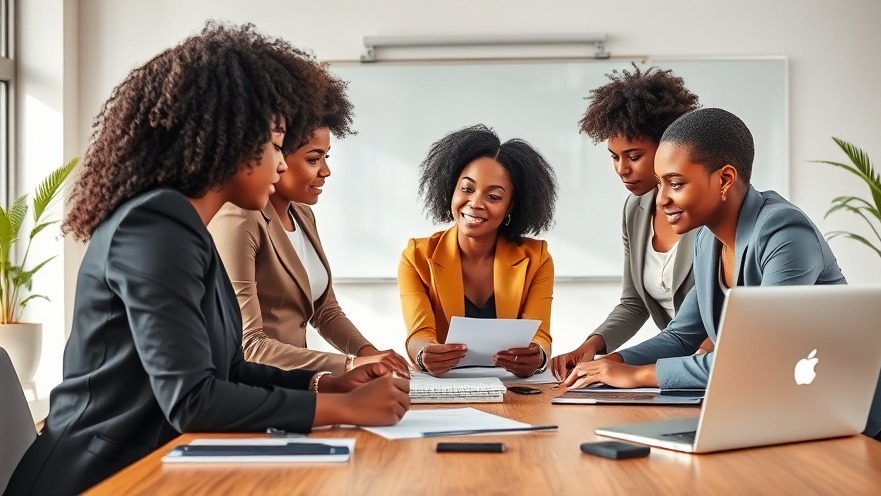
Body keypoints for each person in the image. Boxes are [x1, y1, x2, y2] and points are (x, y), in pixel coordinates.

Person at [6, 23, 409, 495]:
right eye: (276, 146)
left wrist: (325, 385)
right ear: (233, 142)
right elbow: (192, 400)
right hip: (99, 478)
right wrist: (344, 410)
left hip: (159, 468)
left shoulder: (187, 227)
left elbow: (228, 371)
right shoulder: (154, 227)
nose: (282, 164)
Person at [560, 107, 846, 392]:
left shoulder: (784, 231)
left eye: (675, 184)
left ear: (725, 179)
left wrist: (636, 375)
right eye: (660, 184)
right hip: (766, 399)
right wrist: (610, 363)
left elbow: (759, 354)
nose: (660, 200)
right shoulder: (707, 240)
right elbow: (681, 337)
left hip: (836, 404)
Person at [208, 121, 410, 377]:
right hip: (252, 385)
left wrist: (368, 353)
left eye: (326, 157)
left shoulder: (302, 214)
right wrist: (349, 365)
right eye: (314, 159)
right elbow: (248, 345)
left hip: (296, 382)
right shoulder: (238, 219)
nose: (326, 171)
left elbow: (325, 310)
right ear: (274, 155)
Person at [549, 65, 711, 381]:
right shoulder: (635, 210)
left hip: (713, 360)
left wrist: (624, 366)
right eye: (614, 156)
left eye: (633, 156)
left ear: (668, 148)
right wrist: (592, 346)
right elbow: (634, 302)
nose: (622, 169)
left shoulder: (705, 211)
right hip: (672, 361)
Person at [399, 124, 558, 378]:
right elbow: (419, 334)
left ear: (510, 207)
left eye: (493, 197)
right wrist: (423, 354)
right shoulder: (417, 257)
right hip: (446, 384)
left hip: (511, 386)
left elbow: (540, 337)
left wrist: (537, 357)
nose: (475, 203)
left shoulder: (536, 259)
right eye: (467, 189)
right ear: (451, 188)